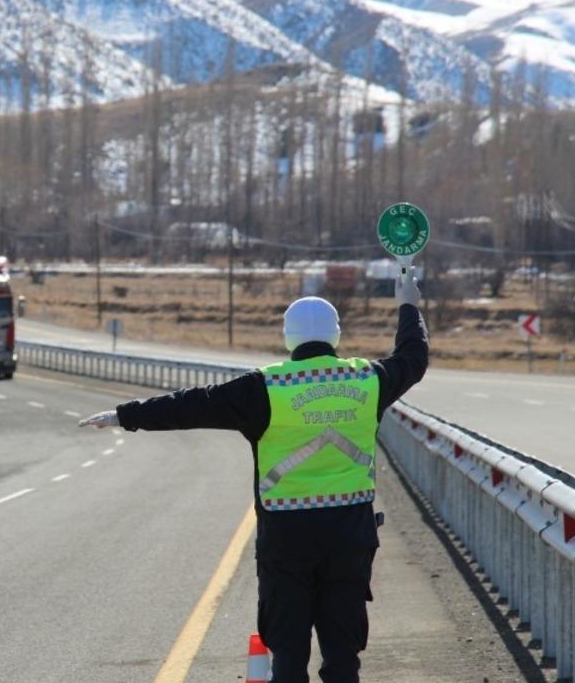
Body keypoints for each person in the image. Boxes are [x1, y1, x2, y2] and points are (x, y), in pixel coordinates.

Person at [79, 272, 428, 683]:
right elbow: (413, 357)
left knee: (288, 658)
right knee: (343, 659)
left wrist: (126, 415)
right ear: (336, 335)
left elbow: (192, 406)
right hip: (349, 537)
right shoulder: (369, 380)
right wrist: (409, 305)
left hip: (286, 541)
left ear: (288, 337)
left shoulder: (266, 388)